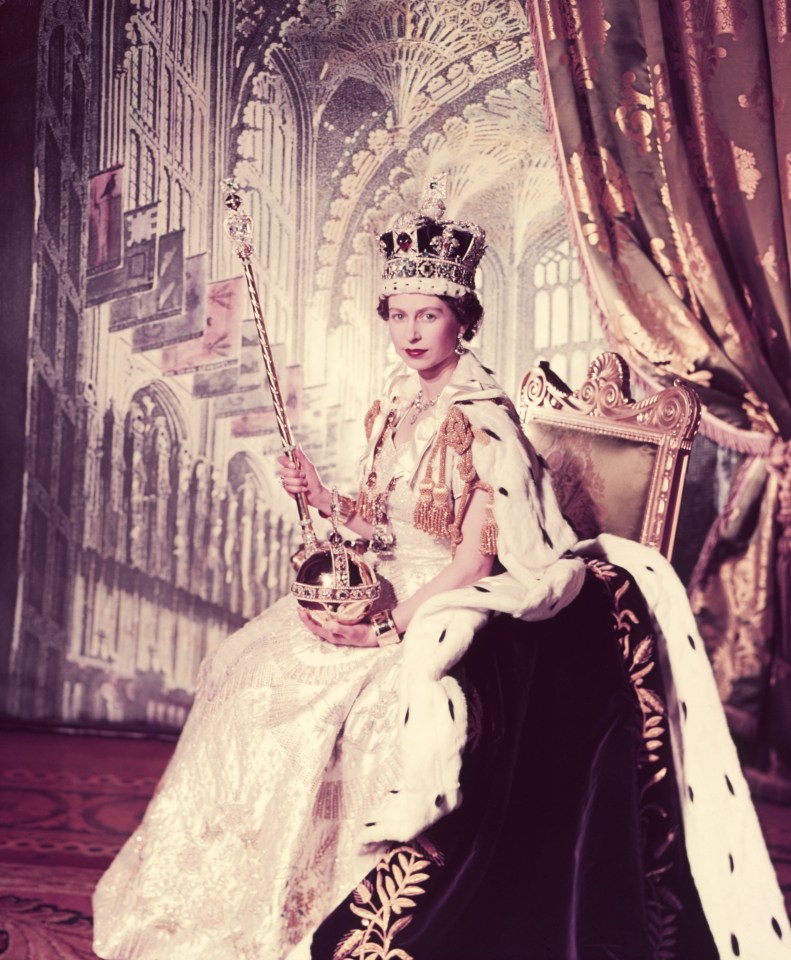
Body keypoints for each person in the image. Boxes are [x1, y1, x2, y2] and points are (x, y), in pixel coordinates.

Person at [93, 183, 789, 960]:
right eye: (397, 313)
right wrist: (322, 496)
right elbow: (376, 518)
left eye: (428, 314)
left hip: (443, 601)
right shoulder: (392, 405)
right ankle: (237, 898)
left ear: (463, 319)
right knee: (246, 667)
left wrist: (388, 628)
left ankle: (339, 915)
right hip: (383, 586)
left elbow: (472, 558)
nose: (410, 331)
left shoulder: (483, 421)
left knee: (349, 709)